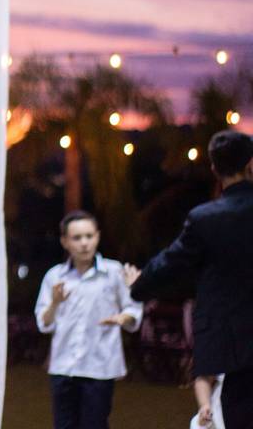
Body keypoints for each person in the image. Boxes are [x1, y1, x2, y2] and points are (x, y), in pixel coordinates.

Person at [131, 130, 253, 429]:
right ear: (250, 165)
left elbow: (171, 262)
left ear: (214, 169)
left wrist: (138, 285)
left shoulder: (205, 218)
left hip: (229, 344)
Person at [34, 210, 142, 429]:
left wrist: (124, 317)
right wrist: (55, 303)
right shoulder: (55, 276)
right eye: (77, 237)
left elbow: (133, 309)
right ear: (65, 241)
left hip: (99, 367)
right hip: (64, 366)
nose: (84, 243)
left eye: (89, 236)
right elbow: (44, 324)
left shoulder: (113, 272)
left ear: (97, 236)